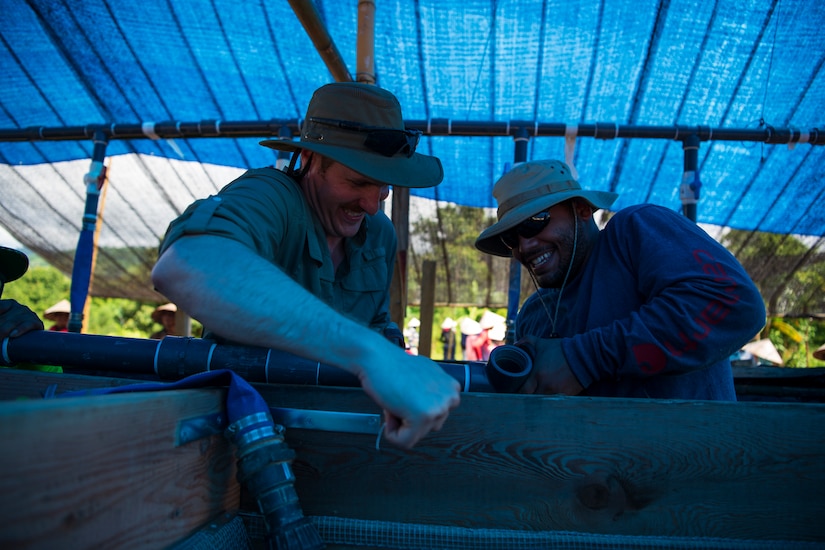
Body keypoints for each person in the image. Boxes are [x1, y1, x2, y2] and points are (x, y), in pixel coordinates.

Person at [151, 82, 460, 448]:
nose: (372, 205)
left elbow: (378, 327)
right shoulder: (272, 194)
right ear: (311, 161)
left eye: (383, 188)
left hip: (340, 439)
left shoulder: (379, 234)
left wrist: (390, 357)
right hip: (238, 433)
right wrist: (368, 354)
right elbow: (185, 264)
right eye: (358, 181)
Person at [475, 159, 766, 400]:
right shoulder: (534, 316)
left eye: (533, 222)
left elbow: (734, 304)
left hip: (691, 464)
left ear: (582, 210)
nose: (524, 247)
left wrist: (583, 358)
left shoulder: (633, 232)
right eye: (511, 238)